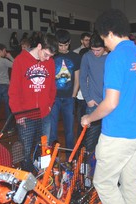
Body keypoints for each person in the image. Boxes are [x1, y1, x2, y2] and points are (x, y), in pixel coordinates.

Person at [81, 9, 136, 204]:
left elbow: (111, 103)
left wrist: (89, 117)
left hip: (120, 132)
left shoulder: (115, 57)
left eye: (104, 39)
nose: (104, 44)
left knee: (103, 183)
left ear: (110, 33)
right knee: (130, 183)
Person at [8, 34, 58, 172]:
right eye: (46, 54)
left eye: (51, 56)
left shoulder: (50, 62)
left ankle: (43, 176)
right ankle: (27, 179)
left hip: (44, 113)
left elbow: (52, 87)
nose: (48, 59)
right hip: (26, 114)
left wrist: (49, 104)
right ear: (39, 46)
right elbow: (13, 91)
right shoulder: (20, 60)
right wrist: (18, 114)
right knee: (25, 149)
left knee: (44, 148)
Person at [50, 29, 80, 158]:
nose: (63, 48)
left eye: (65, 45)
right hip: (54, 99)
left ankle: (70, 158)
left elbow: (77, 79)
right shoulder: (51, 56)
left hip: (69, 99)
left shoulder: (75, 57)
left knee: (69, 131)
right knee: (53, 131)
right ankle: (53, 158)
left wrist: (73, 96)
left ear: (70, 43)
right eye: (60, 45)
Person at [79, 32, 108, 153]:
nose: (95, 53)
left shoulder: (111, 57)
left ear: (105, 47)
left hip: (108, 104)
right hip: (93, 105)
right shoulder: (87, 56)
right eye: (93, 50)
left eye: (98, 50)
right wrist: (88, 99)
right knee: (90, 142)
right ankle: (87, 168)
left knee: (106, 140)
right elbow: (82, 77)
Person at [73, 32, 91, 137]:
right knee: (81, 120)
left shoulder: (92, 54)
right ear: (81, 40)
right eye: (86, 40)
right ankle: (80, 144)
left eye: (89, 40)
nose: (87, 42)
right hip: (80, 95)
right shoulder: (76, 53)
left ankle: (88, 142)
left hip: (90, 95)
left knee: (90, 121)